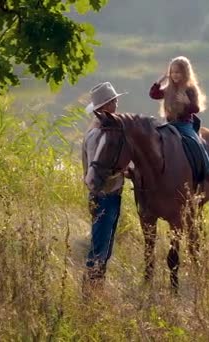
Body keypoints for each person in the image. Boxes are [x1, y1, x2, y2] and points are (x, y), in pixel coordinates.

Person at [81, 82, 127, 283]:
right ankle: (92, 285)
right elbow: (100, 172)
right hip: (105, 195)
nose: (117, 104)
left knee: (102, 242)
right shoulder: (101, 135)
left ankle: (95, 284)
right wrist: (123, 172)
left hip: (102, 195)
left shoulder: (94, 131)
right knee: (101, 245)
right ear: (106, 106)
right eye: (114, 101)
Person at [149, 55, 209, 185]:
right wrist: (161, 80)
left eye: (178, 72)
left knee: (196, 142)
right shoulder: (168, 89)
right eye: (173, 72)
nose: (175, 75)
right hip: (169, 124)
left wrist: (186, 102)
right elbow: (153, 94)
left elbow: (196, 108)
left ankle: (208, 171)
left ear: (185, 73)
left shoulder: (190, 89)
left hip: (184, 124)